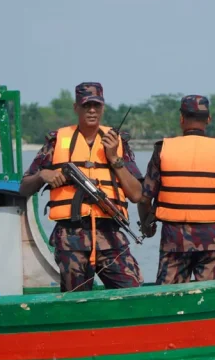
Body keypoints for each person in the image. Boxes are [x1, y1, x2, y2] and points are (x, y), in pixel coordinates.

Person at [18, 82, 144, 292]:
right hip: (70, 239)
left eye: (96, 105)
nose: (92, 110)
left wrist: (114, 158)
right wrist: (43, 175)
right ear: (76, 108)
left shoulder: (118, 142)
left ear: (103, 108)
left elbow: (136, 194)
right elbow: (24, 187)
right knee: (75, 301)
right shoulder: (56, 142)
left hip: (111, 235)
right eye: (86, 105)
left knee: (133, 292)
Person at [138, 95, 215, 284]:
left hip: (174, 240)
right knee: (211, 295)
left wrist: (146, 225)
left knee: (170, 296)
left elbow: (144, 198)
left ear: (181, 118)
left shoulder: (163, 149)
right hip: (212, 240)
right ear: (208, 119)